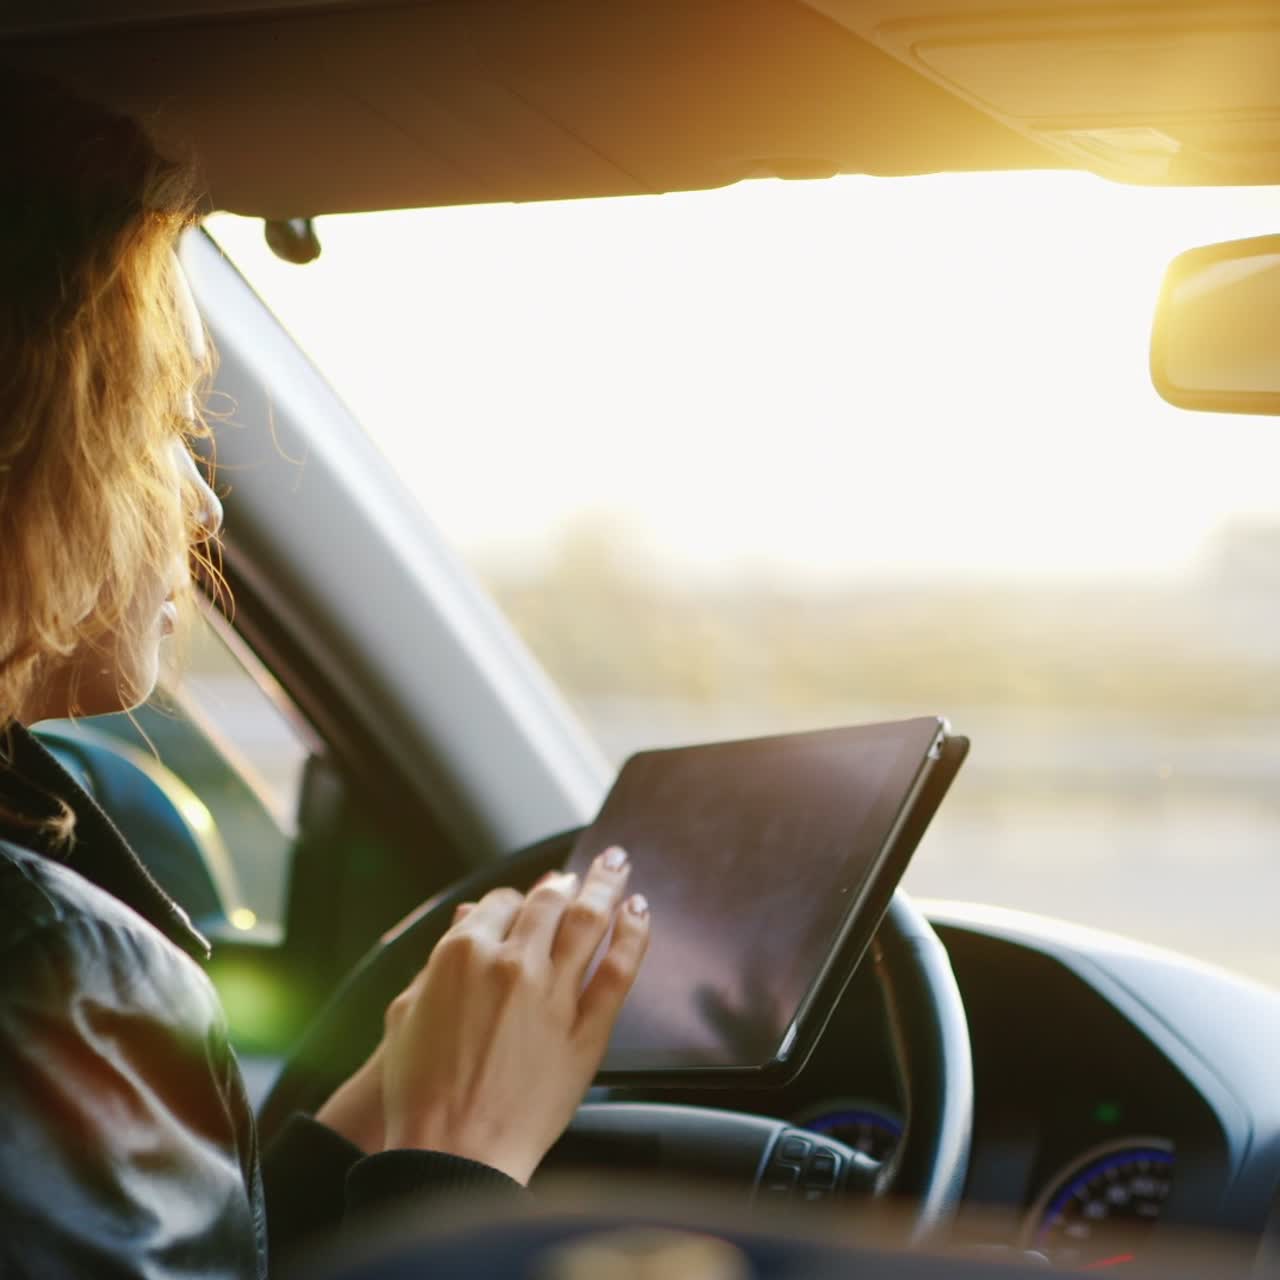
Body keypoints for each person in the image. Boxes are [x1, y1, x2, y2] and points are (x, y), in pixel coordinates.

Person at [0, 68, 651, 1277]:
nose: (196, 498)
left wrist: (350, 1135)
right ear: (23, 457)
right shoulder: (48, 973)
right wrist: (465, 1158)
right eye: (152, 430)